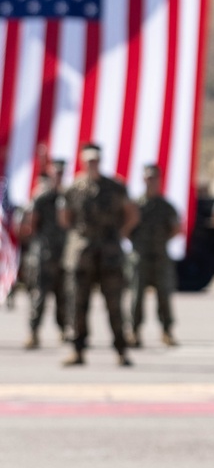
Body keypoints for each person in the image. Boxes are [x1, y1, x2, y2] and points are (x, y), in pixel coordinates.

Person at [59, 143, 137, 366]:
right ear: (83, 162)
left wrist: (119, 234)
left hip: (109, 253)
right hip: (82, 253)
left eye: (96, 160)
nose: (92, 164)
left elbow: (131, 214)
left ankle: (121, 350)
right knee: (78, 304)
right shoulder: (74, 188)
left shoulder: (115, 187)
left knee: (114, 304)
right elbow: (65, 218)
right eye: (89, 161)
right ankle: (78, 350)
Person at [127, 163, 180, 347]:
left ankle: (167, 331)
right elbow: (126, 228)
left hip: (160, 257)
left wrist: (160, 242)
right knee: (136, 296)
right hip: (139, 256)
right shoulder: (135, 205)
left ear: (159, 180)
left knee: (164, 296)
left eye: (154, 178)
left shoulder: (166, 206)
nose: (151, 181)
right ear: (143, 179)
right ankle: (134, 332)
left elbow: (176, 229)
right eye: (148, 178)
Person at [21, 157, 67, 348]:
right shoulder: (42, 197)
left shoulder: (67, 196)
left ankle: (65, 330)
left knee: (63, 295)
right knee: (39, 294)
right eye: (55, 173)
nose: (58, 176)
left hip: (63, 254)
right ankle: (33, 332)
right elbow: (31, 224)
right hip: (44, 253)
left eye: (61, 173)